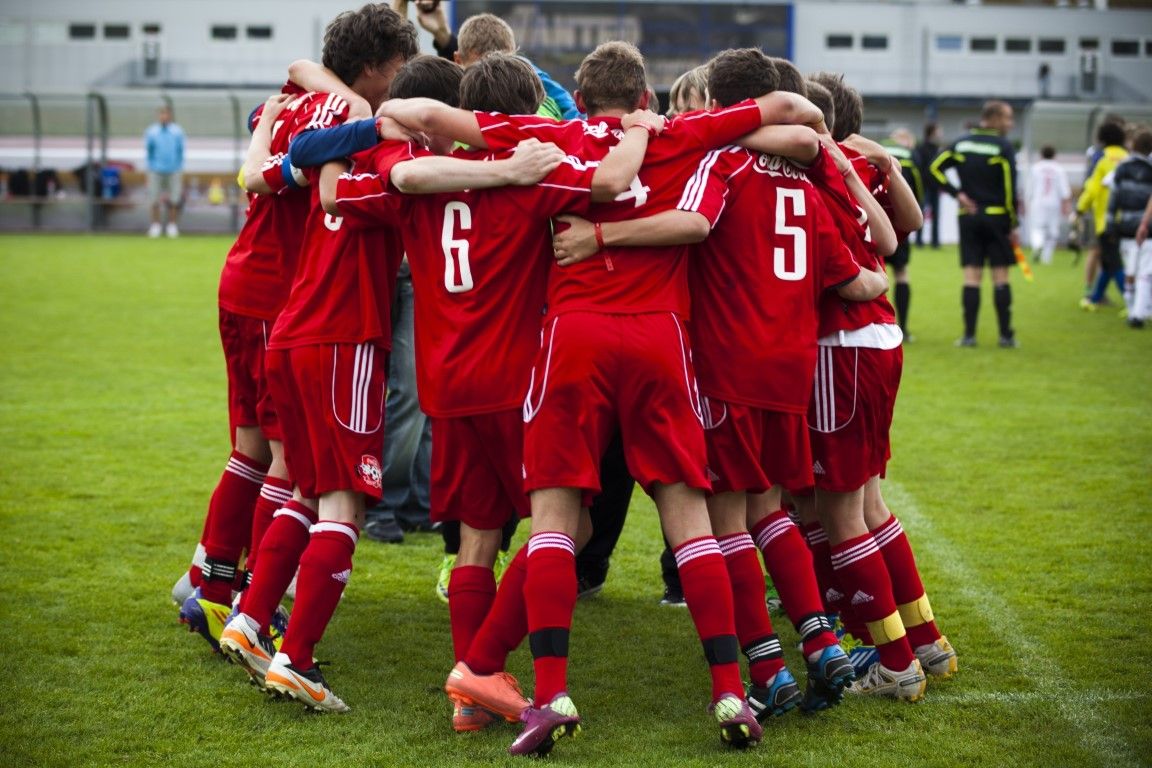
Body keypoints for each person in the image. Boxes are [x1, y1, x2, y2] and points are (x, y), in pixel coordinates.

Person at [379, 40, 827, 755]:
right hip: (659, 339)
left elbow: (414, 110)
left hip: (571, 339)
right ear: (646, 99)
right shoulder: (677, 134)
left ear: (576, 100)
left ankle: (551, 693)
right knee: (690, 522)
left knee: (555, 520)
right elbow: (794, 110)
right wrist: (728, 125)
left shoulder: (546, 135)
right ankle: (730, 693)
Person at [321, 52, 653, 733]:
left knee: (476, 538)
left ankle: (469, 702)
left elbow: (336, 193)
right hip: (517, 381)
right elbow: (616, 187)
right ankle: (478, 663)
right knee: (573, 526)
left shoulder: (411, 179)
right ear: (522, 112)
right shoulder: (533, 174)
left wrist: (341, 131)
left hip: (446, 383)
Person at [552, 48, 886, 718]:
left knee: (726, 519)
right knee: (769, 509)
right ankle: (820, 640)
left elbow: (696, 223)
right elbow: (866, 265)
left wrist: (598, 238)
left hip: (726, 362)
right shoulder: (801, 174)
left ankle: (767, 666)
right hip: (791, 368)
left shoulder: (721, 162)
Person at [215, 3, 419, 712]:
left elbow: (287, 167)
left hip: (292, 329)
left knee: (299, 484)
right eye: (393, 72)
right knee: (346, 502)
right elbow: (397, 184)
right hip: (343, 339)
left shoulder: (315, 116)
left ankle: (246, 617)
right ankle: (295, 659)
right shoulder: (390, 154)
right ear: (373, 74)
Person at [798, 71, 953, 701]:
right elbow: (902, 227)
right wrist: (883, 158)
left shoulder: (817, 171)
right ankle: (925, 642)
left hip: (842, 344)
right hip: (875, 343)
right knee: (864, 503)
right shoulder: (856, 161)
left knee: (836, 510)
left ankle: (893, 661)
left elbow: (883, 247)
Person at [930, 100, 1021, 348]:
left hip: (969, 219)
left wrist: (956, 193)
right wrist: (1013, 222)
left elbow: (935, 168)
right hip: (997, 217)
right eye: (1008, 118)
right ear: (993, 118)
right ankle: (1006, 336)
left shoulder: (962, 143)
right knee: (1000, 277)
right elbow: (1010, 186)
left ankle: (969, 336)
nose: (1010, 124)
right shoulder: (1003, 146)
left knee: (971, 277)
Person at [1077, 121, 1129, 311]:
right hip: (1128, 217)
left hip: (1105, 219)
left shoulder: (1101, 158)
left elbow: (1092, 188)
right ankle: (1096, 297)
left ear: (1102, 138)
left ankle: (1133, 301)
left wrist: (1080, 208)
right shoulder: (1129, 157)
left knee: (1113, 261)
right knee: (1108, 262)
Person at [882, 128, 924, 336]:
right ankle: (903, 328)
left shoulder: (875, 148)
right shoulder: (910, 157)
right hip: (898, 223)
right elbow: (917, 190)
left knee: (878, 273)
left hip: (875, 223)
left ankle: (881, 323)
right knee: (901, 273)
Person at [1109, 130, 1152, 328]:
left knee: (1130, 268)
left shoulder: (1122, 167)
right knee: (1146, 271)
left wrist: (1110, 222)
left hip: (1126, 224)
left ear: (1133, 144)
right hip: (1147, 225)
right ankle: (1138, 313)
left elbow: (1113, 195)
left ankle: (1132, 306)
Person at [144, 105, 185, 238]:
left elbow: (180, 151)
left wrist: (178, 166)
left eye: (166, 114)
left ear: (170, 116)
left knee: (174, 199)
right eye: (161, 114)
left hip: (174, 170)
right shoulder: (151, 132)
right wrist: (150, 167)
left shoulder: (177, 131)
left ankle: (172, 226)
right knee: (154, 198)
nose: (164, 117)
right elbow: (149, 151)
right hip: (155, 170)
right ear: (158, 116)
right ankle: (155, 226)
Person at [1028, 145, 1072, 266]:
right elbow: (1065, 190)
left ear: (1041, 155)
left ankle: (1038, 245)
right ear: (1054, 155)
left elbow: (1029, 188)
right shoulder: (1059, 169)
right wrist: (1067, 205)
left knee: (1037, 228)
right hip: (1054, 203)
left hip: (1038, 201)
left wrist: (1026, 202)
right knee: (1052, 231)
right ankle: (1046, 259)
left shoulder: (1035, 168)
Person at [914, 122, 942, 248]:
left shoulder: (937, 149)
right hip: (925, 187)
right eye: (938, 130)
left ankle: (935, 242)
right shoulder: (921, 148)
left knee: (936, 215)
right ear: (932, 132)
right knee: (921, 214)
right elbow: (920, 168)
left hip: (935, 187)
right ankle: (919, 241)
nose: (941, 133)